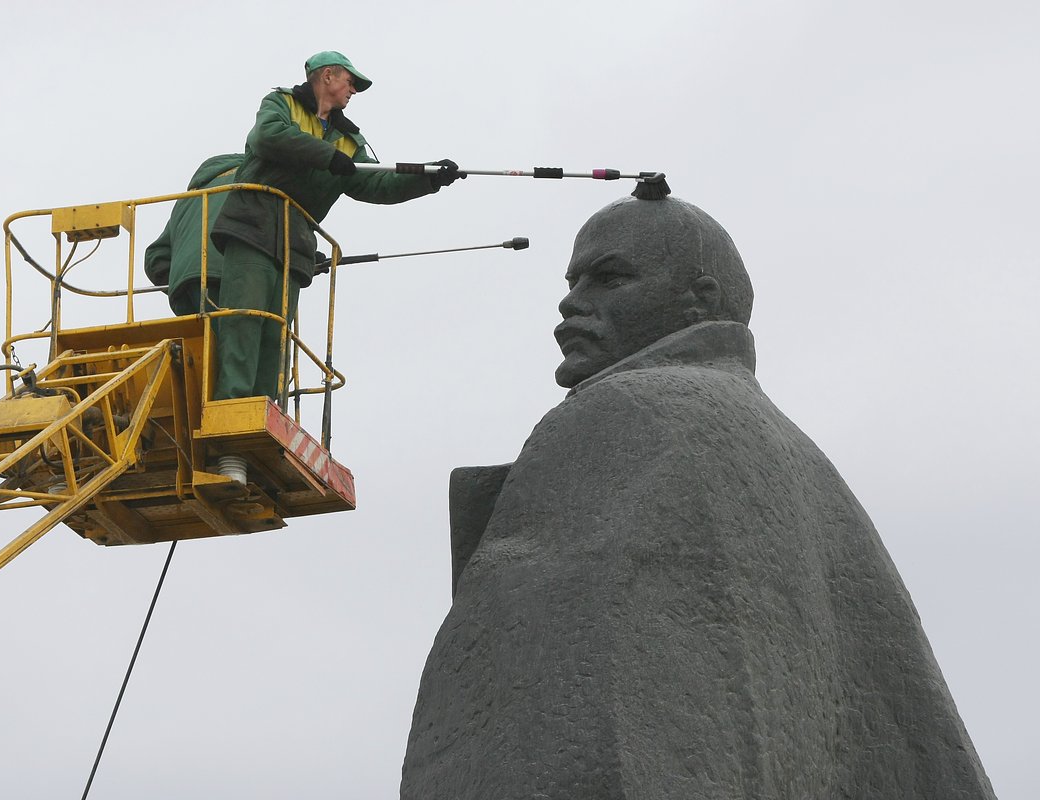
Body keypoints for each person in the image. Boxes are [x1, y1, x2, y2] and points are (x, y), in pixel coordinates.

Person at [399, 190, 996, 799]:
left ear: (701, 300)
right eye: (573, 281)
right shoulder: (812, 469)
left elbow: (536, 686)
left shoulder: (619, 416)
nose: (571, 302)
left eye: (609, 278)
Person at [205, 51, 462, 401]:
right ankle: (233, 406)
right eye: (350, 81)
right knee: (244, 319)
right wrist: (326, 156)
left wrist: (429, 177)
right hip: (252, 225)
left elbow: (376, 183)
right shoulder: (282, 104)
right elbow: (267, 136)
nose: (353, 90)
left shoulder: (348, 141)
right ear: (327, 76)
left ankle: (264, 410)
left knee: (276, 334)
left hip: (294, 242)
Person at [143, 153, 245, 316]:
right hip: (228, 276)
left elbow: (155, 256)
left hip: (184, 291)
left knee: (202, 338)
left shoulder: (187, 199)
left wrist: (180, 278)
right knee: (241, 337)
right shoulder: (252, 181)